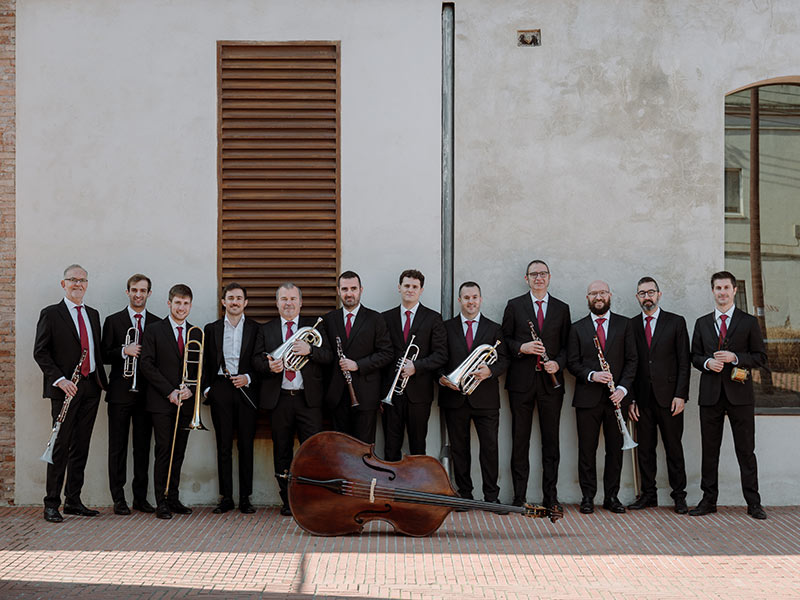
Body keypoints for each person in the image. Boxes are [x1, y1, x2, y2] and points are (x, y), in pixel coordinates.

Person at [689, 271, 768, 520]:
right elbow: (694, 356)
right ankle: (708, 500)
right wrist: (707, 363)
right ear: (712, 291)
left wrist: (735, 358)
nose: (722, 292)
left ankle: (754, 503)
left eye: (726, 288)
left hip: (740, 396)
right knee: (709, 451)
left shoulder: (748, 322)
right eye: (717, 288)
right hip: (710, 396)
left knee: (746, 450)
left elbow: (761, 358)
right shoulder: (702, 323)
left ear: (734, 290)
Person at [34, 264, 108, 523]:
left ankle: (73, 501)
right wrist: (60, 380)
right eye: (73, 280)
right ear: (63, 284)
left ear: (87, 284)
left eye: (82, 280)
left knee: (81, 446)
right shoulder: (51, 313)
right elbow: (40, 352)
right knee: (60, 446)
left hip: (90, 387)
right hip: (66, 388)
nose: (78, 284)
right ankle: (51, 503)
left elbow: (97, 351)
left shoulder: (94, 314)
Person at [253, 283, 331, 516]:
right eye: (284, 299)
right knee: (282, 450)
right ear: (277, 303)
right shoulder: (265, 330)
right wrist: (269, 366)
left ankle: (310, 498)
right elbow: (256, 361)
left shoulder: (313, 328)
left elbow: (328, 357)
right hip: (280, 401)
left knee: (312, 452)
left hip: (308, 400)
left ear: (300, 302)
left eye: (293, 299)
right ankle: (287, 499)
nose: (288, 303)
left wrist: (310, 351)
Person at [501, 260, 570, 510]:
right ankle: (519, 498)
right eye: (534, 274)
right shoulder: (514, 305)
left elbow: (567, 347)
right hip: (521, 383)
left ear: (549, 277)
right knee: (520, 440)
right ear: (526, 278)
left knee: (551, 442)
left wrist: (558, 364)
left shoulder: (562, 308)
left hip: (550, 384)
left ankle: (550, 498)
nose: (538, 278)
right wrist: (523, 347)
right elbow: (504, 340)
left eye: (543, 274)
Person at [567, 280, 637, 515]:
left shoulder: (625, 325)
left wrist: (623, 390)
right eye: (594, 293)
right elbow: (572, 363)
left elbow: (632, 361)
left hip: (616, 399)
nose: (598, 297)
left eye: (602, 293)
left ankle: (612, 496)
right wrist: (591, 375)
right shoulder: (577, 328)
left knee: (615, 450)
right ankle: (588, 497)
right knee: (587, 450)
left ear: (610, 295)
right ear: (587, 297)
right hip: (587, 399)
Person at [438, 282, 508, 505]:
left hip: (485, 398)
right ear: (460, 300)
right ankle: (465, 495)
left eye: (474, 297)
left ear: (480, 299)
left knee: (490, 448)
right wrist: (440, 377)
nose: (471, 301)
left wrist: (490, 371)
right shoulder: (446, 327)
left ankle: (491, 497)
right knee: (459, 449)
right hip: (454, 397)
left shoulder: (494, 328)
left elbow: (505, 359)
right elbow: (438, 357)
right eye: (466, 297)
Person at [627, 277, 690, 514]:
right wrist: (631, 398)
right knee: (645, 450)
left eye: (651, 292)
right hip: (642, 399)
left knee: (674, 448)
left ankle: (679, 496)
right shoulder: (631, 325)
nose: (647, 297)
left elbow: (684, 362)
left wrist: (681, 395)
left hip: (670, 398)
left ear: (659, 295)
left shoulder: (675, 322)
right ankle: (648, 495)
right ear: (637, 298)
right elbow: (629, 365)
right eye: (642, 293)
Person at [101, 273, 159, 515]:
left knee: (142, 448)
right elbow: (103, 355)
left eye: (142, 290)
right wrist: (124, 350)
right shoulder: (113, 321)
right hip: (120, 394)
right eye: (134, 290)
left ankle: (140, 498)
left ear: (149, 294)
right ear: (128, 292)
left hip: (146, 395)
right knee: (117, 448)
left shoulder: (156, 323)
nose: (138, 294)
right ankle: (118, 498)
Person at [139, 284, 198, 520]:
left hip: (186, 402)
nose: (181, 308)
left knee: (179, 452)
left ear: (190, 306)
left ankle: (173, 497)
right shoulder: (154, 330)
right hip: (162, 402)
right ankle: (161, 501)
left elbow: (200, 367)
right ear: (169, 303)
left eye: (185, 303)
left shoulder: (196, 333)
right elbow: (146, 364)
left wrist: (191, 389)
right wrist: (169, 391)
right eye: (177, 303)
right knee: (164, 450)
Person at [202, 283, 260, 515]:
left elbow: (261, 361)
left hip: (245, 387)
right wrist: (208, 390)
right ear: (223, 302)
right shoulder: (211, 328)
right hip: (221, 389)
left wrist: (248, 377)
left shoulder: (256, 329)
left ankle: (245, 497)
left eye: (239, 298)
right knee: (223, 445)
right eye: (230, 298)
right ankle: (226, 497)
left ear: (245, 303)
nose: (235, 302)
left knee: (246, 445)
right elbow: (206, 362)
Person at [381, 269, 447, 461]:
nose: (410, 290)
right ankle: (392, 490)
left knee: (418, 448)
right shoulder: (385, 318)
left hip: (419, 395)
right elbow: (382, 355)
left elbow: (441, 355)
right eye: (406, 286)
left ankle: (416, 490)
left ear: (421, 290)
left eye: (414, 287)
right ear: (399, 288)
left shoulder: (433, 318)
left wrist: (416, 366)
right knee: (390, 447)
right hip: (391, 395)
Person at [322, 271, 393, 445]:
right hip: (337, 396)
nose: (349, 293)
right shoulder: (328, 320)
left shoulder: (375, 318)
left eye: (353, 288)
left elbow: (387, 353)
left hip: (366, 395)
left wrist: (358, 365)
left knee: (363, 448)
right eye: (345, 289)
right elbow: (324, 356)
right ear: (338, 291)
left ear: (361, 290)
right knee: (341, 450)